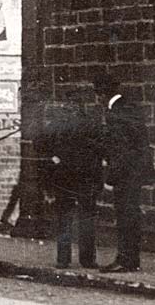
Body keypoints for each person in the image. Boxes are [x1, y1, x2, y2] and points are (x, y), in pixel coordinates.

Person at [93, 71, 155, 273]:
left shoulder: (116, 113)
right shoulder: (128, 107)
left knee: (125, 216)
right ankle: (131, 259)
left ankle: (126, 260)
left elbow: (120, 149)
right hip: (135, 172)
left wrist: (111, 178)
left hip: (126, 173)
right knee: (131, 215)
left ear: (101, 94)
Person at [38, 102, 104, 269]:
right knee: (87, 217)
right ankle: (88, 259)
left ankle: (63, 259)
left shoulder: (58, 124)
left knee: (64, 218)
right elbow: (102, 148)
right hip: (86, 177)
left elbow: (39, 143)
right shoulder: (91, 124)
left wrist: (53, 158)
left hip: (64, 176)